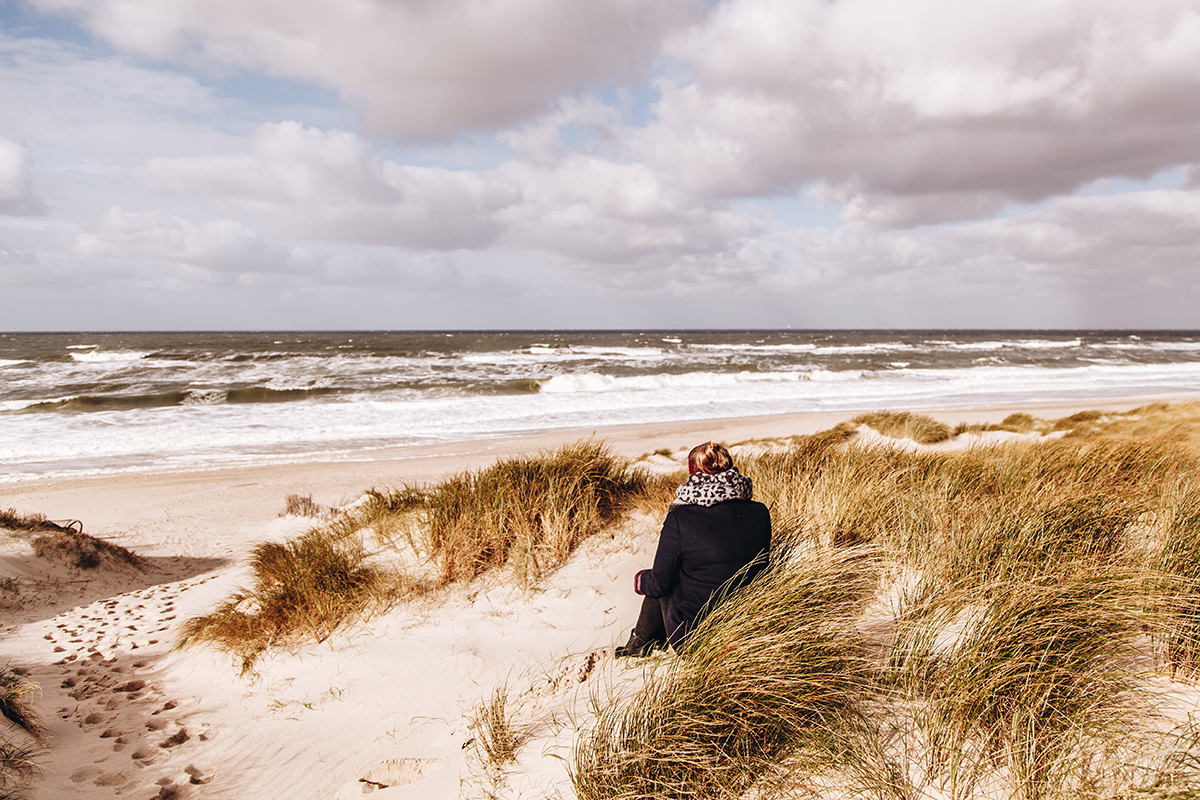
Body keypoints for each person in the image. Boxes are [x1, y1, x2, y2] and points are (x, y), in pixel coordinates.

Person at [616, 441, 771, 657]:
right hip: (745, 626)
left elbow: (661, 583)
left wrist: (640, 580)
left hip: (695, 637)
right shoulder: (759, 511)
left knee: (659, 580)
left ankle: (640, 644)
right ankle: (642, 643)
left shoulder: (681, 517)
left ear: (693, 474)